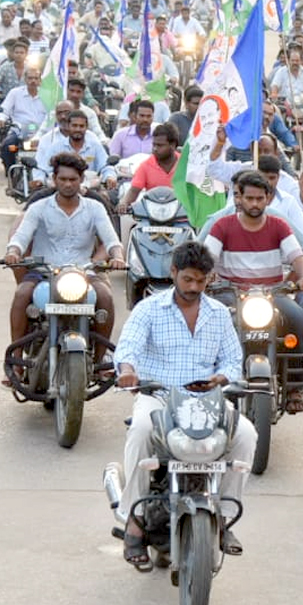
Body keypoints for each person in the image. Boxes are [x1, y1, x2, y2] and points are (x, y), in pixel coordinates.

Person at [113, 240, 255, 568]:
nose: (194, 287)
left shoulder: (219, 314)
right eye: (188, 279)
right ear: (173, 272)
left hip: (208, 401)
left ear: (210, 278)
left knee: (246, 434)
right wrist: (128, 370)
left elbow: (233, 359)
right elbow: (128, 347)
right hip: (159, 396)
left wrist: (221, 379)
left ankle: (223, 520)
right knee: (141, 431)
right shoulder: (148, 309)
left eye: (201, 281)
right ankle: (133, 523)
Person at [4, 152, 125, 370]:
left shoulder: (95, 208)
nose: (68, 184)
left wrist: (117, 256)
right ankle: (17, 360)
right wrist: (13, 251)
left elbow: (111, 240)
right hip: (44, 272)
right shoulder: (39, 207)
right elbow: (21, 238)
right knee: (22, 294)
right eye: (63, 179)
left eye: (73, 180)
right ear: (54, 179)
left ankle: (98, 362)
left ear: (81, 180)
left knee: (106, 297)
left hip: (83, 272)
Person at [205, 171, 303, 414]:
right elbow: (208, 257)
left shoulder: (279, 226)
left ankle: (294, 387)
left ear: (268, 199)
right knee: (212, 322)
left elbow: (297, 256)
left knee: (297, 318)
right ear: (239, 199)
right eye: (249, 198)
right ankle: (207, 378)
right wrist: (208, 273)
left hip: (272, 293)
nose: (254, 204)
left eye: (260, 198)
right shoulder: (222, 226)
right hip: (229, 293)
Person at [36, 109, 116, 191]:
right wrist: (39, 180)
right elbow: (43, 169)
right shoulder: (55, 147)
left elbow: (106, 166)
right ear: (68, 126)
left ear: (86, 127)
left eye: (81, 126)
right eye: (74, 125)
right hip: (59, 190)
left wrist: (109, 177)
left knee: (105, 199)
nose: (78, 129)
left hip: (90, 190)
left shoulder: (95, 146)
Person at [116, 122, 180, 212]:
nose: (155, 149)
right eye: (154, 144)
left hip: (181, 217)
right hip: (152, 217)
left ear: (173, 145)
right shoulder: (145, 166)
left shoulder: (186, 164)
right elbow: (134, 190)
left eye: (160, 145)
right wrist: (124, 203)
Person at [0, 67, 46, 171]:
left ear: (40, 80)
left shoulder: (47, 96)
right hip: (19, 132)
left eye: (36, 78)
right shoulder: (15, 93)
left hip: (41, 133)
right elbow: (5, 110)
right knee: (7, 147)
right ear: (25, 79)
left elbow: (51, 114)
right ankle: (10, 172)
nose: (33, 81)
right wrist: (1, 118)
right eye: (30, 78)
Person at [65, 76, 107, 142]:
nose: (74, 95)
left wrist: (105, 142)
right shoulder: (57, 111)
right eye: (72, 91)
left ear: (83, 94)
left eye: (78, 92)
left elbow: (98, 133)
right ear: (66, 91)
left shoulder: (89, 113)